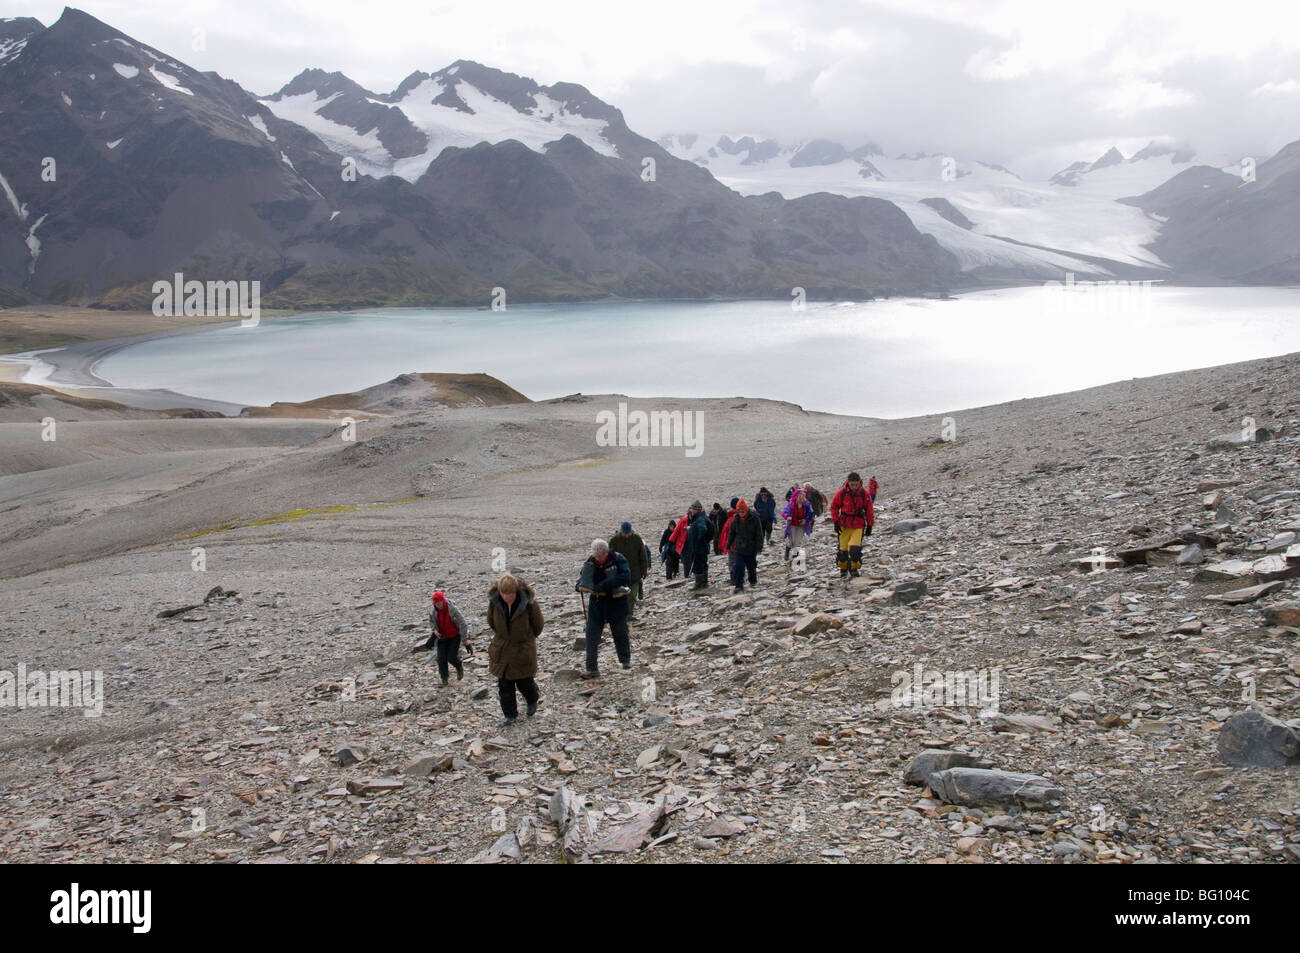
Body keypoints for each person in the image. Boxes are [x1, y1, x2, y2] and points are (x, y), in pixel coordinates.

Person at [486, 574, 543, 724]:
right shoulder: (494, 603)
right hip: (503, 649)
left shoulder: (529, 604)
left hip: (522, 649)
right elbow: (491, 622)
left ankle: (532, 699)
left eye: (510, 594)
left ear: (516, 592)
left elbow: (538, 626)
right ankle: (510, 714)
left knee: (525, 681)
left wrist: (526, 640)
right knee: (504, 685)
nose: (507, 597)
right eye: (504, 594)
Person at [578, 539, 632, 677]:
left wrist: (604, 585)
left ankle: (625, 661)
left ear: (606, 552)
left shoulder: (618, 559)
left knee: (620, 633)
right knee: (591, 637)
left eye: (601, 556)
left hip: (617, 602)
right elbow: (584, 578)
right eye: (596, 556)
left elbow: (625, 576)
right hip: (597, 604)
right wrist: (579, 585)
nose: (598, 559)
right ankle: (591, 669)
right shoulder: (590, 562)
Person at [830, 471, 874, 579]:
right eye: (852, 484)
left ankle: (854, 568)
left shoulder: (864, 494)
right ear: (848, 482)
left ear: (860, 482)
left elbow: (869, 510)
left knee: (855, 550)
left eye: (856, 484)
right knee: (843, 551)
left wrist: (870, 525)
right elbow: (834, 506)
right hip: (844, 525)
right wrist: (835, 521)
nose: (854, 487)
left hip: (858, 525)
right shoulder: (842, 493)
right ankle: (843, 568)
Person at [425, 590, 469, 686]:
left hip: (454, 636)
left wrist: (465, 639)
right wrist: (434, 630)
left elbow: (462, 623)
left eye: (439, 603)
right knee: (441, 659)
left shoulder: (452, 608)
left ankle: (459, 666)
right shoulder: (432, 610)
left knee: (451, 657)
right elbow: (432, 622)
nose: (438, 605)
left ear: (443, 600)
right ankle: (444, 678)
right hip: (442, 637)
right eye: (436, 604)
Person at [608, 522, 648, 621]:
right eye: (625, 533)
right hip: (620, 574)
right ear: (621, 531)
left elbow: (643, 556)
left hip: (635, 573)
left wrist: (644, 570)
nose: (627, 535)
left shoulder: (637, 539)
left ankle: (629, 614)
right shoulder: (614, 540)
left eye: (628, 533)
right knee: (621, 596)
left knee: (632, 595)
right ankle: (622, 614)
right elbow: (609, 558)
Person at [725, 498, 764, 592]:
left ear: (746, 510)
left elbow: (759, 533)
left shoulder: (754, 518)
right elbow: (732, 533)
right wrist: (728, 544)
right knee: (738, 566)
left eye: (743, 511)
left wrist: (759, 546)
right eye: (739, 511)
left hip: (751, 548)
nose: (741, 513)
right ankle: (739, 585)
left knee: (751, 566)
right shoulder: (736, 519)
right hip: (739, 548)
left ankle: (753, 581)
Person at [684, 500, 714, 590]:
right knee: (703, 564)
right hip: (703, 546)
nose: (691, 510)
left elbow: (703, 529)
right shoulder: (701, 517)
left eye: (692, 509)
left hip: (699, 547)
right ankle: (704, 582)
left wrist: (698, 539)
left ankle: (698, 584)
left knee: (698, 565)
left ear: (697, 510)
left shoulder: (699, 518)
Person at [781, 487, 815, 565]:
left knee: (798, 542)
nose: (801, 499)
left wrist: (805, 520)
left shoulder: (807, 505)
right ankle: (787, 550)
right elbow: (784, 511)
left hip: (801, 526)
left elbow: (811, 514)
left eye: (803, 498)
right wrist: (787, 517)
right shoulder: (791, 504)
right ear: (796, 497)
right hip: (792, 525)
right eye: (800, 497)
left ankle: (795, 558)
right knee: (791, 541)